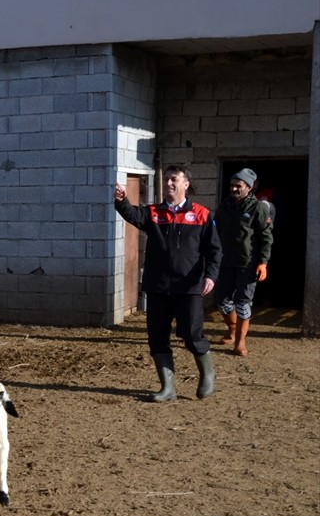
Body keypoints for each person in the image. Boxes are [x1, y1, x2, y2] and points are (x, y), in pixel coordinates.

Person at [114, 166, 222, 401]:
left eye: (174, 179)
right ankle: (168, 388)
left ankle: (208, 373)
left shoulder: (201, 214)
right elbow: (133, 215)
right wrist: (122, 202)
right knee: (157, 337)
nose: (169, 183)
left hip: (188, 287)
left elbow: (214, 251)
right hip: (158, 287)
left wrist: (210, 276)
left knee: (192, 336)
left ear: (185, 184)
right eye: (167, 180)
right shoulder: (153, 213)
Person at [213, 168, 273, 356]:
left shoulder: (259, 208)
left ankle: (240, 342)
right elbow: (215, 232)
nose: (234, 188)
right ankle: (232, 330)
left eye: (238, 185)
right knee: (222, 301)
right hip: (225, 261)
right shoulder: (224, 206)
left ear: (249, 187)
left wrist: (263, 262)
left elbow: (266, 237)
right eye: (232, 185)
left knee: (243, 303)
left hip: (247, 263)